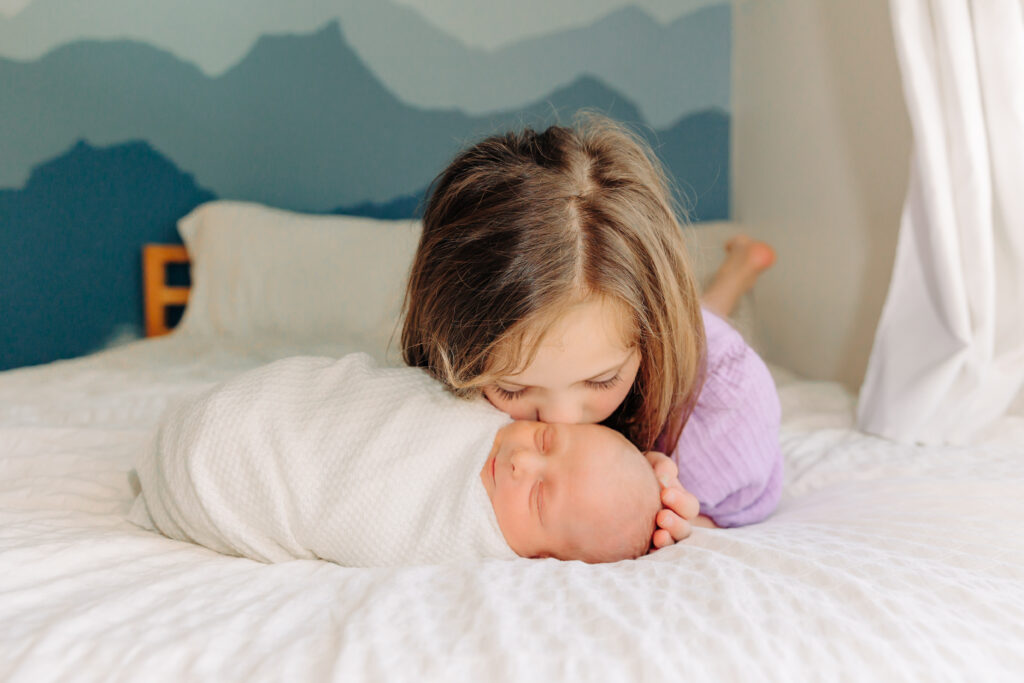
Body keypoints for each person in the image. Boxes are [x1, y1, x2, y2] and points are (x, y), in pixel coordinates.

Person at [401, 114, 782, 548]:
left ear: (649, 336)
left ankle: (738, 271)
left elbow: (737, 513)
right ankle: (734, 273)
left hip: (693, 354)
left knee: (702, 321)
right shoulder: (456, 365)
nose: (561, 421)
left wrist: (665, 516)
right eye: (511, 389)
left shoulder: (724, 413)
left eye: (602, 379)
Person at [130, 354, 661, 566]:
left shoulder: (466, 543)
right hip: (262, 415)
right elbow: (380, 397)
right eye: (545, 440)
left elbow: (360, 509)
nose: (522, 463)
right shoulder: (486, 411)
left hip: (215, 476)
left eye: (539, 498)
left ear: (547, 559)